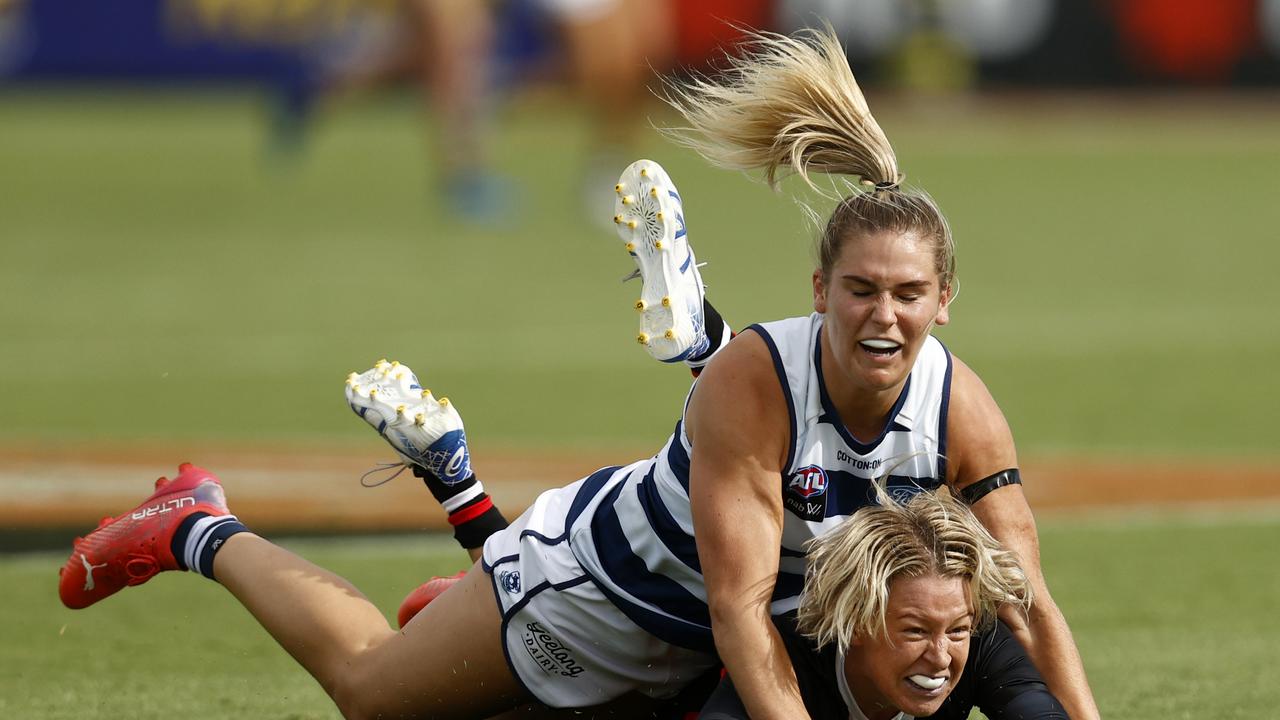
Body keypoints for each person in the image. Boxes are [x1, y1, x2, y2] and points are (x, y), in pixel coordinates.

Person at [57, 27, 1097, 720]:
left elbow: (1029, 603)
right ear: (816, 287)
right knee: (373, 692)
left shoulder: (961, 409)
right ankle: (200, 527)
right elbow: (732, 604)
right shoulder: (758, 386)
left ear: (943, 300)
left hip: (734, 634)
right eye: (860, 290)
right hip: (606, 596)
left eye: (907, 295)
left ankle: (472, 518)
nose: (885, 313)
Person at [697, 487, 1068, 720]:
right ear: (858, 621)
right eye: (915, 631)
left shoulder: (980, 643)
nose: (940, 657)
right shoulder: (786, 664)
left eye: (957, 629)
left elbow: (1037, 710)